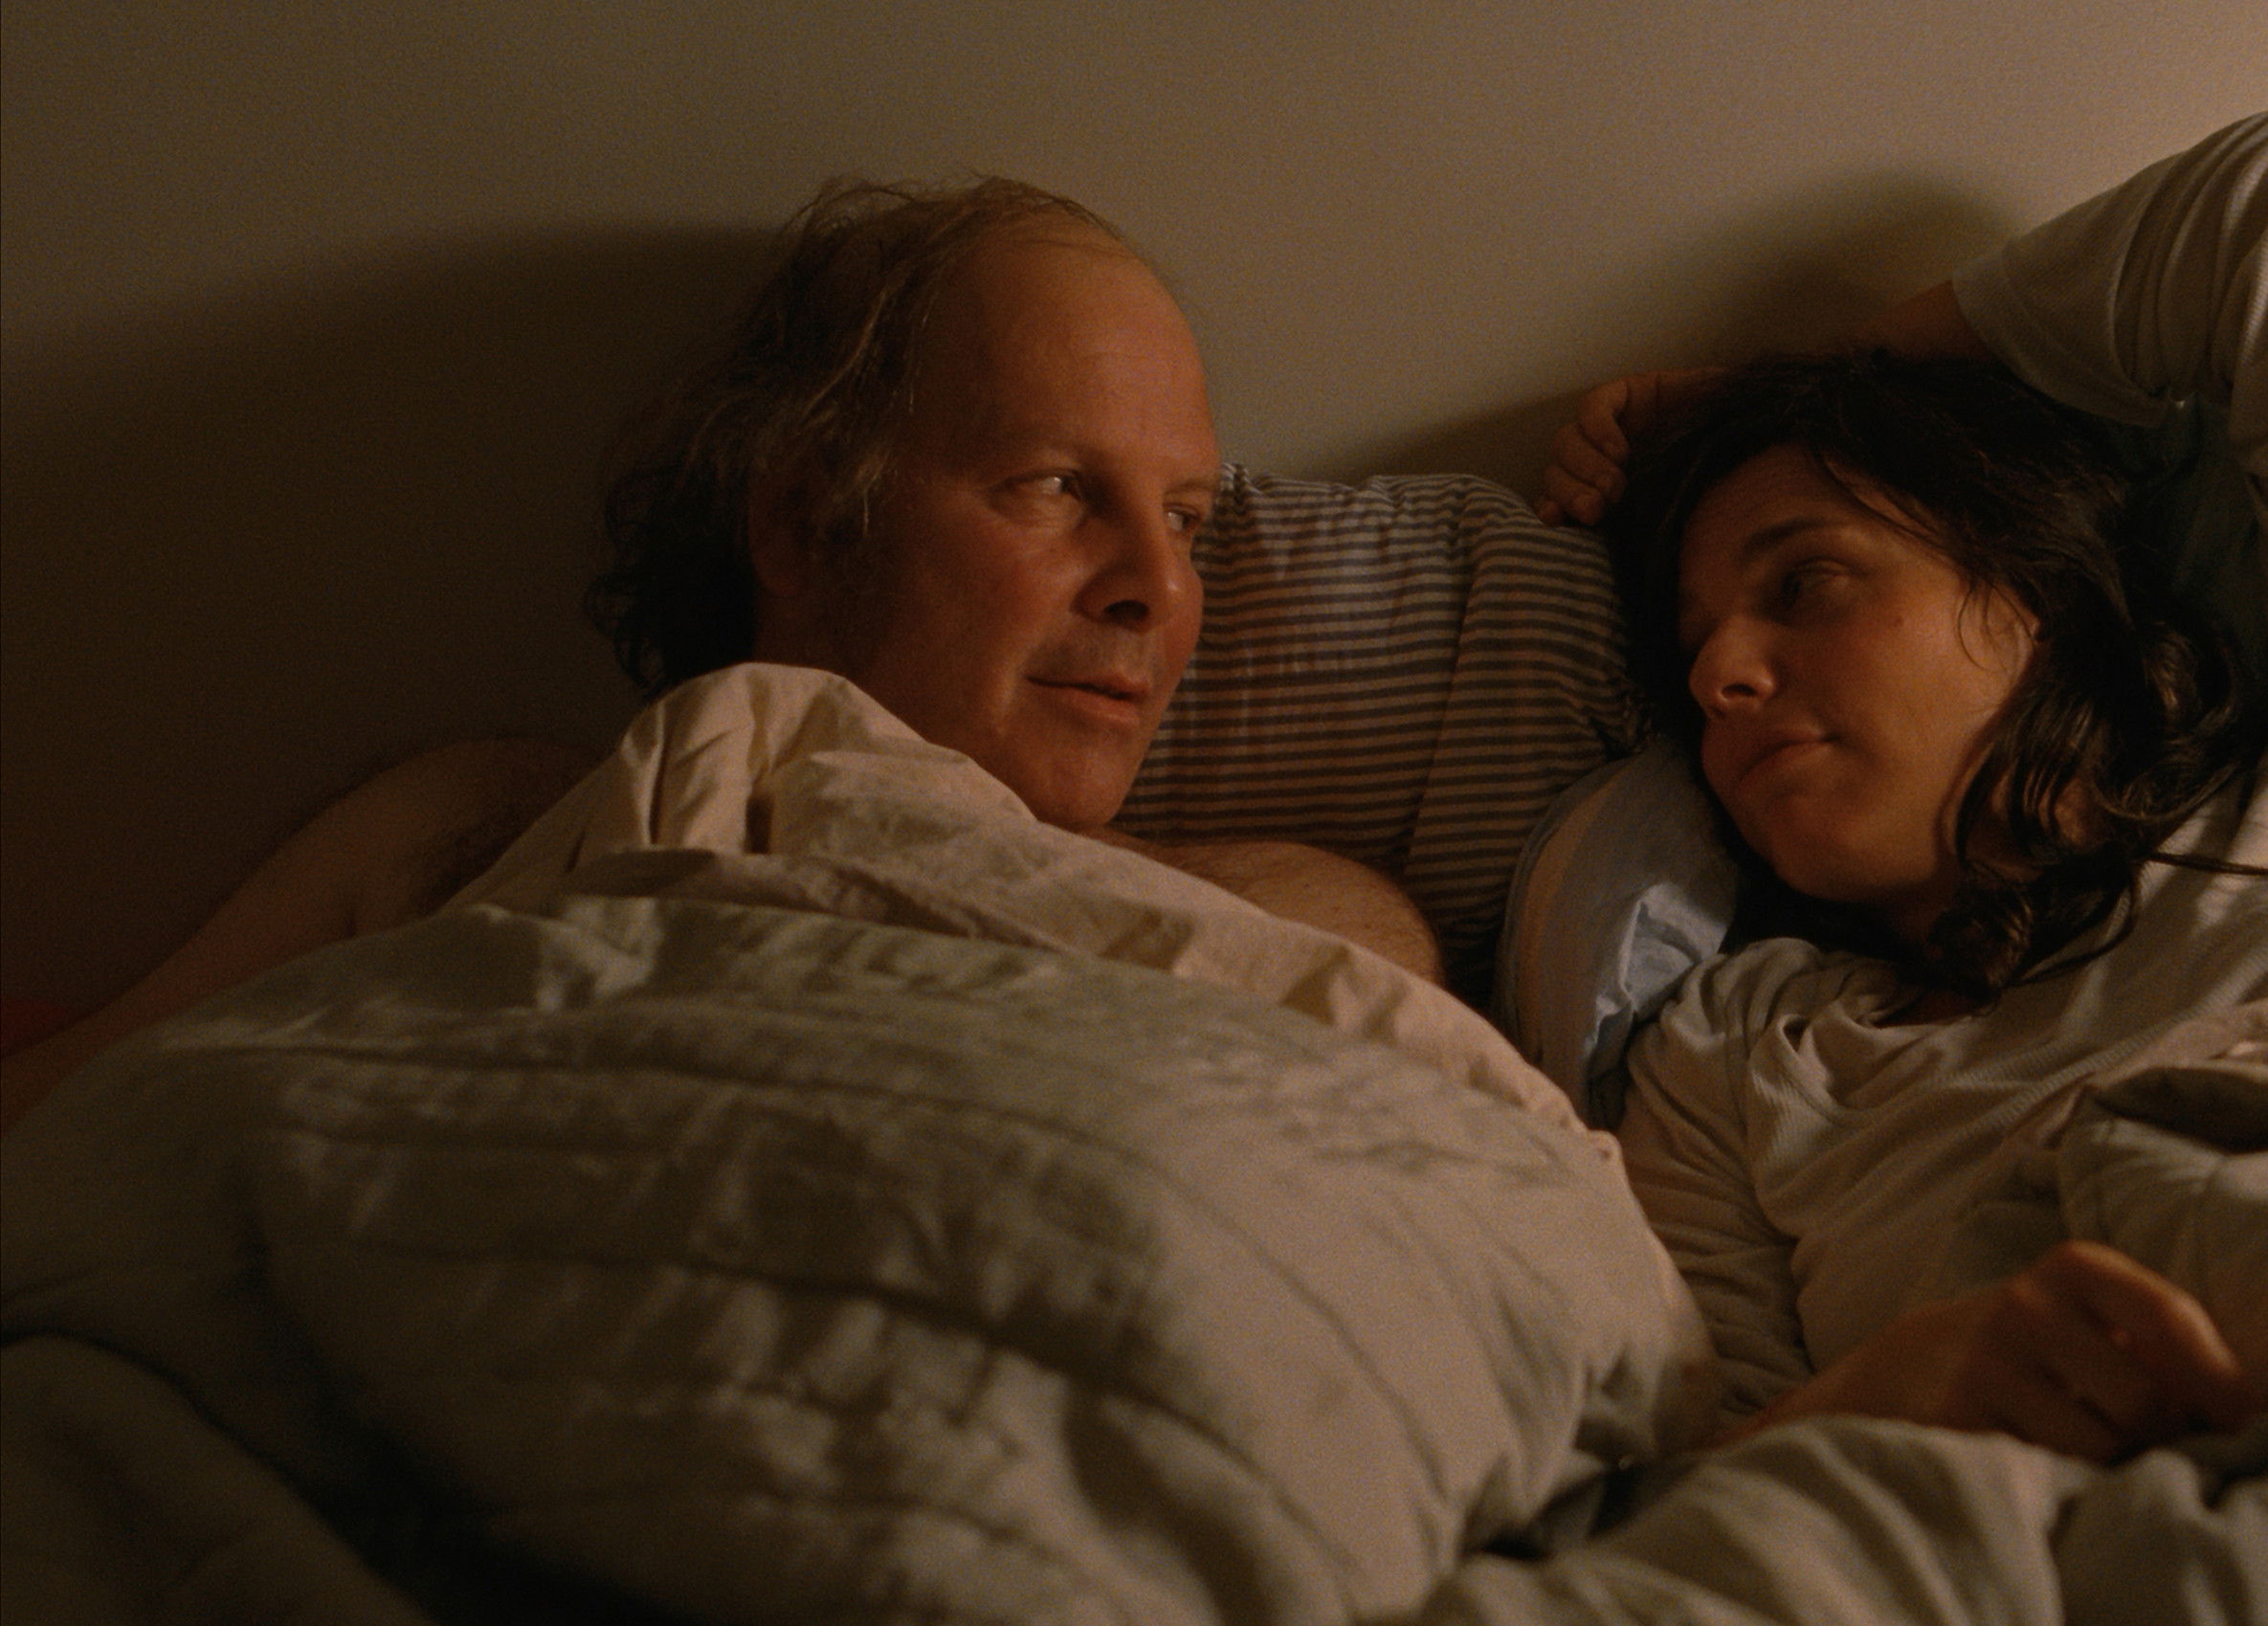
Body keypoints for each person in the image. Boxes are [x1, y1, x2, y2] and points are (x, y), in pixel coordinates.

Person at [1538, 105, 2268, 1461]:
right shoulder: (1738, 1057)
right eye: (1694, 648)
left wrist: (1807, 385)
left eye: (1806, 582)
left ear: (2035, 587)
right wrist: (1891, 1391)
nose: (1722, 675)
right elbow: (1680, 1493)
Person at [0, 177, 1434, 1130]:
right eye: (1056, 487)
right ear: (806, 524)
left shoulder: (1304, 918)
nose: (1159, 590)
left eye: (1185, 520)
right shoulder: (473, 826)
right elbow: (70, 1136)